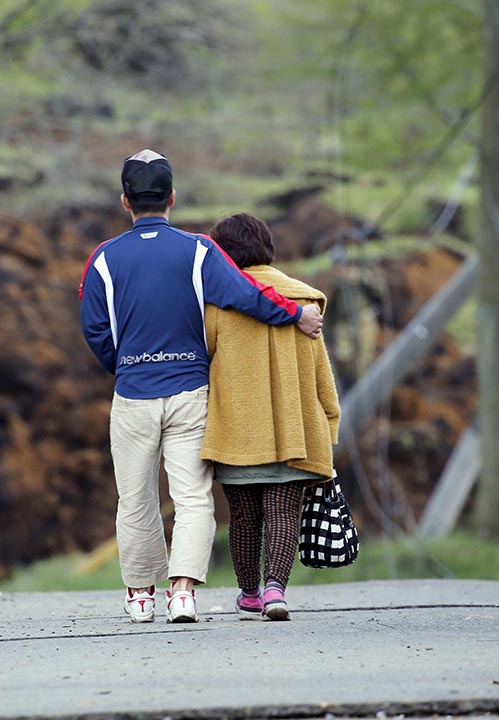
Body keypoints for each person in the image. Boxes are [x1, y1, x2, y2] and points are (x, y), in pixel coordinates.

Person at [79, 149, 324, 623]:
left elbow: (95, 329)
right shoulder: (200, 251)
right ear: (172, 197)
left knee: (135, 497)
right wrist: (297, 314)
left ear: (124, 202)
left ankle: (139, 596)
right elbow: (247, 296)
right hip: (190, 391)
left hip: (133, 393)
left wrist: (125, 366)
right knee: (192, 496)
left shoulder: (103, 259)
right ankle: (183, 593)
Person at [200, 213, 340, 621]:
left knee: (244, 517)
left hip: (237, 430)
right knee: (282, 512)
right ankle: (276, 590)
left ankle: (249, 595)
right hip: (296, 429)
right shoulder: (304, 301)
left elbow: (202, 362)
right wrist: (329, 420)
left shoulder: (219, 304)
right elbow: (321, 373)